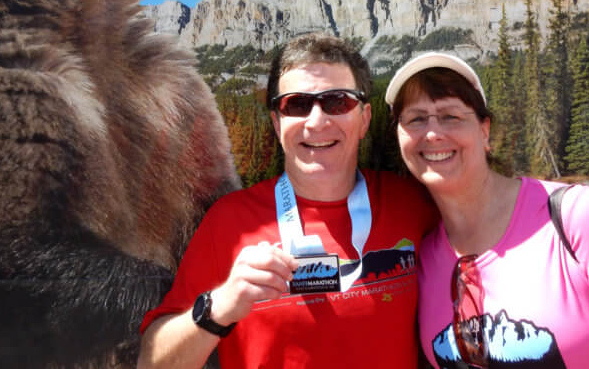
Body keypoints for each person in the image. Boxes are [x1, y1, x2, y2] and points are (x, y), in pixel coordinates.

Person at [138, 33, 437, 369]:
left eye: (338, 102)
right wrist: (219, 306)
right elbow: (153, 363)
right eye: (296, 104)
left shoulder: (411, 202)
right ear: (277, 122)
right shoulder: (229, 222)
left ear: (364, 118)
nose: (316, 121)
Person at [385, 51, 589, 368]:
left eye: (450, 116)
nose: (433, 133)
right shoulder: (422, 261)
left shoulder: (583, 220)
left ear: (484, 130)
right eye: (416, 119)